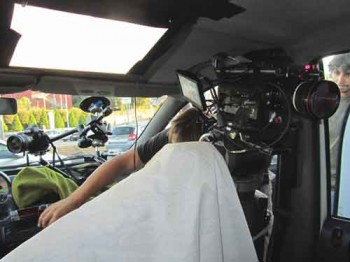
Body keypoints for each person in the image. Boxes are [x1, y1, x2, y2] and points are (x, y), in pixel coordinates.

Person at [38, 107, 203, 228]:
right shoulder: (178, 131)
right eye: (170, 148)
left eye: (180, 152)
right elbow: (123, 162)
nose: (172, 154)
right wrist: (73, 201)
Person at [328, 53, 350, 188]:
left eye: (348, 74)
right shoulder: (324, 101)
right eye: (336, 73)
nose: (341, 80)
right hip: (323, 180)